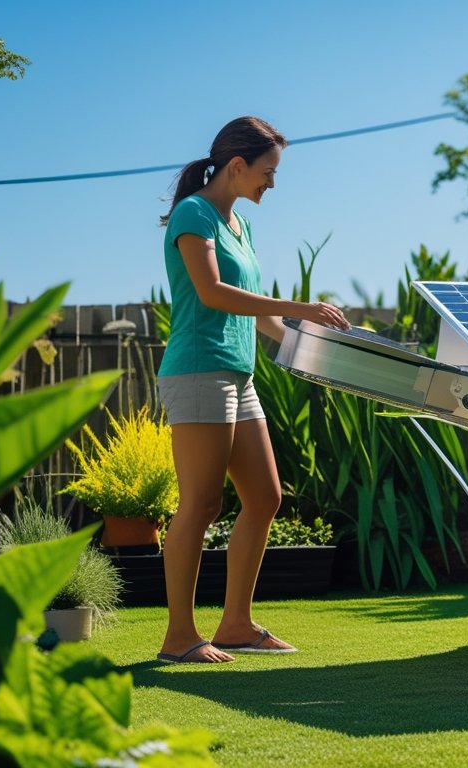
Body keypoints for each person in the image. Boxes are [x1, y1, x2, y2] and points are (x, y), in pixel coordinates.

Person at [155, 116, 349, 664]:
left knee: (265, 496)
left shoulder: (238, 225)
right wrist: (298, 305)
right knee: (201, 503)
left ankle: (236, 624)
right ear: (237, 166)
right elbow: (213, 294)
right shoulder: (195, 214)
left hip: (239, 375)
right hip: (198, 370)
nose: (272, 183)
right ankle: (179, 636)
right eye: (267, 172)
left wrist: (310, 349)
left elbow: (258, 317)